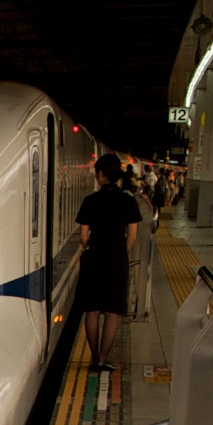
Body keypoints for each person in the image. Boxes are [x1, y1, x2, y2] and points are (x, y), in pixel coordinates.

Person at [76, 153, 141, 373]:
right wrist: (119, 251)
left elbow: (83, 237)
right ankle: (103, 359)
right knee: (113, 311)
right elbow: (132, 236)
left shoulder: (90, 200)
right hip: (117, 258)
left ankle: (94, 357)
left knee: (92, 310)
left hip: (94, 257)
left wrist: (94, 247)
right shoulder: (128, 200)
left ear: (102, 175)